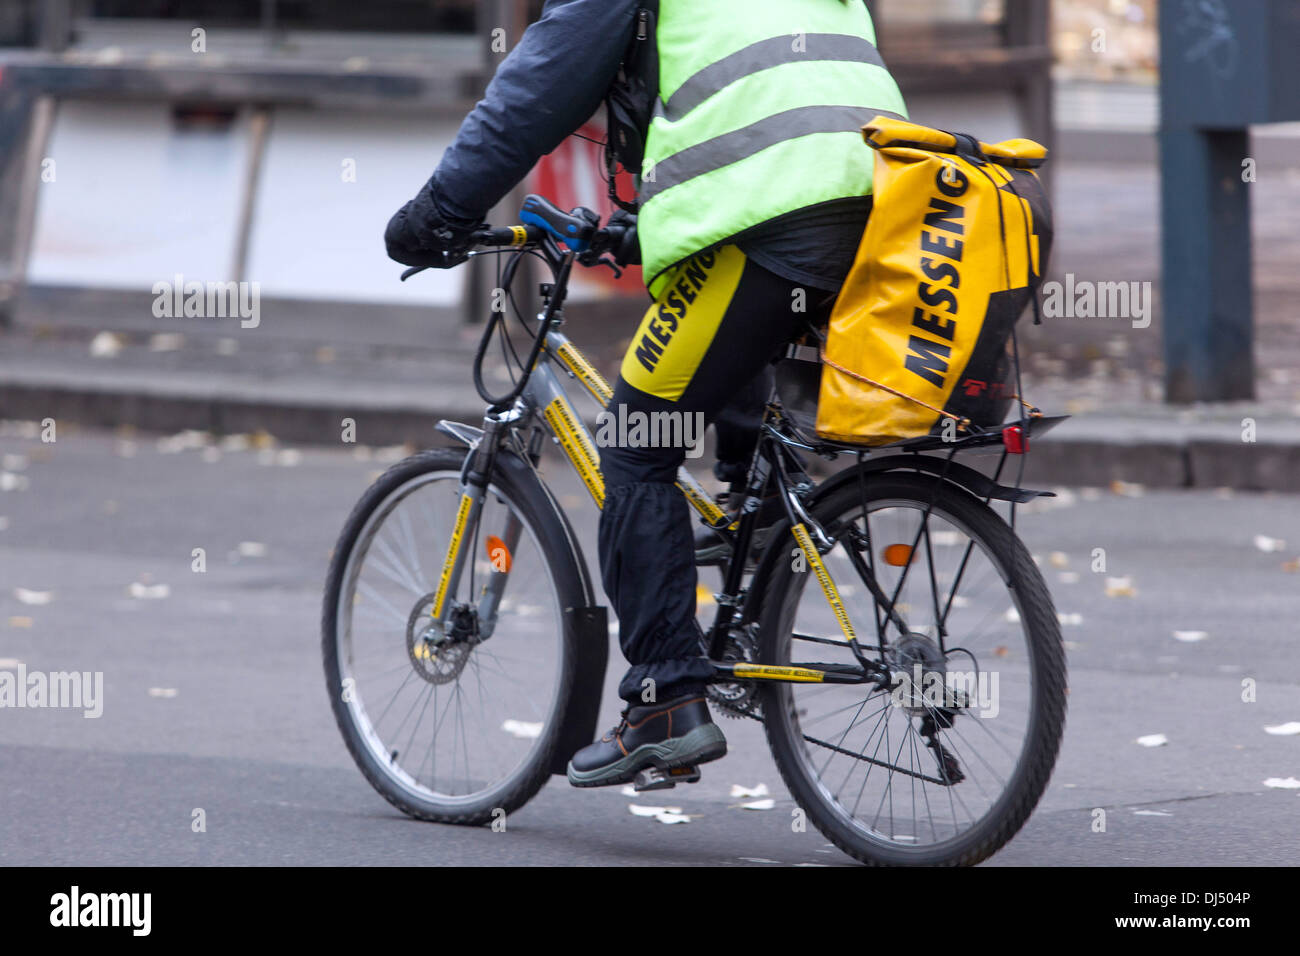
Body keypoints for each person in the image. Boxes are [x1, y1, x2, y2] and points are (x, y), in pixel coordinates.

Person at [385, 0, 906, 788]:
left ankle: (664, 701)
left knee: (637, 441)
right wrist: (640, 231)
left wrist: (435, 214)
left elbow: (534, 92)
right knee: (727, 349)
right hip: (875, 199)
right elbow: (772, 99)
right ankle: (760, 531)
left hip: (774, 213)